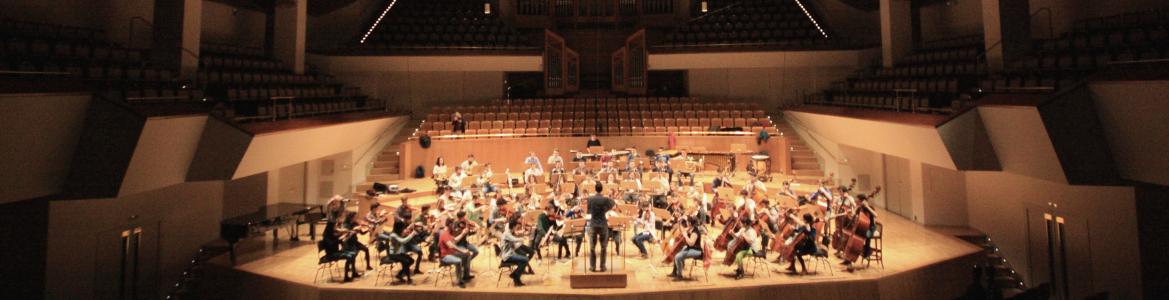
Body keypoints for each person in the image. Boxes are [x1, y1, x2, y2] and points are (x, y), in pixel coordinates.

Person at [586, 182, 614, 272]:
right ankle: (602, 266)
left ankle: (592, 267)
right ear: (602, 189)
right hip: (603, 224)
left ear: (595, 189)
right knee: (603, 247)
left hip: (593, 224)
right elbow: (612, 204)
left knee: (592, 247)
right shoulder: (605, 199)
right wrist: (605, 209)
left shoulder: (590, 199)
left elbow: (589, 211)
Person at [438, 219, 474, 288]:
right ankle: (459, 281)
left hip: (451, 253)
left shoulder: (448, 233)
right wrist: (462, 251)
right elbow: (451, 245)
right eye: (453, 225)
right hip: (445, 256)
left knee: (468, 254)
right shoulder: (444, 233)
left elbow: (455, 240)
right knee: (458, 261)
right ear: (450, 225)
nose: (454, 226)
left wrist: (462, 233)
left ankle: (466, 274)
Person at [499, 221, 531, 286]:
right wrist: (521, 239)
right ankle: (515, 275)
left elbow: (514, 246)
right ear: (513, 226)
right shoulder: (507, 233)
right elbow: (513, 239)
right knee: (526, 259)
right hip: (507, 256)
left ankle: (516, 279)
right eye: (516, 227)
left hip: (510, 254)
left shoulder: (509, 233)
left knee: (523, 262)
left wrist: (521, 243)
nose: (517, 228)